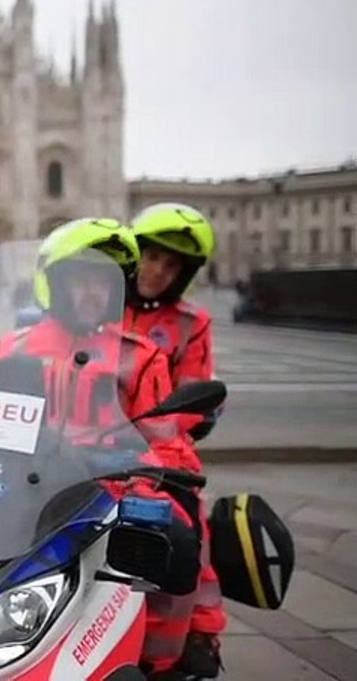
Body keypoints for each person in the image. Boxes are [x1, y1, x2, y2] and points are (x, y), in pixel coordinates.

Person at [0, 218, 204, 679]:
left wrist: (157, 482)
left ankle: (162, 660)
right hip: (29, 491)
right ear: (55, 284)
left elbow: (165, 443)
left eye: (103, 283)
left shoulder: (139, 357)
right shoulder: (12, 349)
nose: (92, 293)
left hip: (111, 493)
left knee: (179, 537)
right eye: (81, 279)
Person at [126, 202, 226, 678]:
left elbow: (193, 390)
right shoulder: (101, 304)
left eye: (171, 265)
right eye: (152, 258)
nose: (157, 271)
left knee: (188, 524)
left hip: (158, 447)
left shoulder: (190, 322)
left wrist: (168, 422)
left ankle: (199, 632)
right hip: (88, 443)